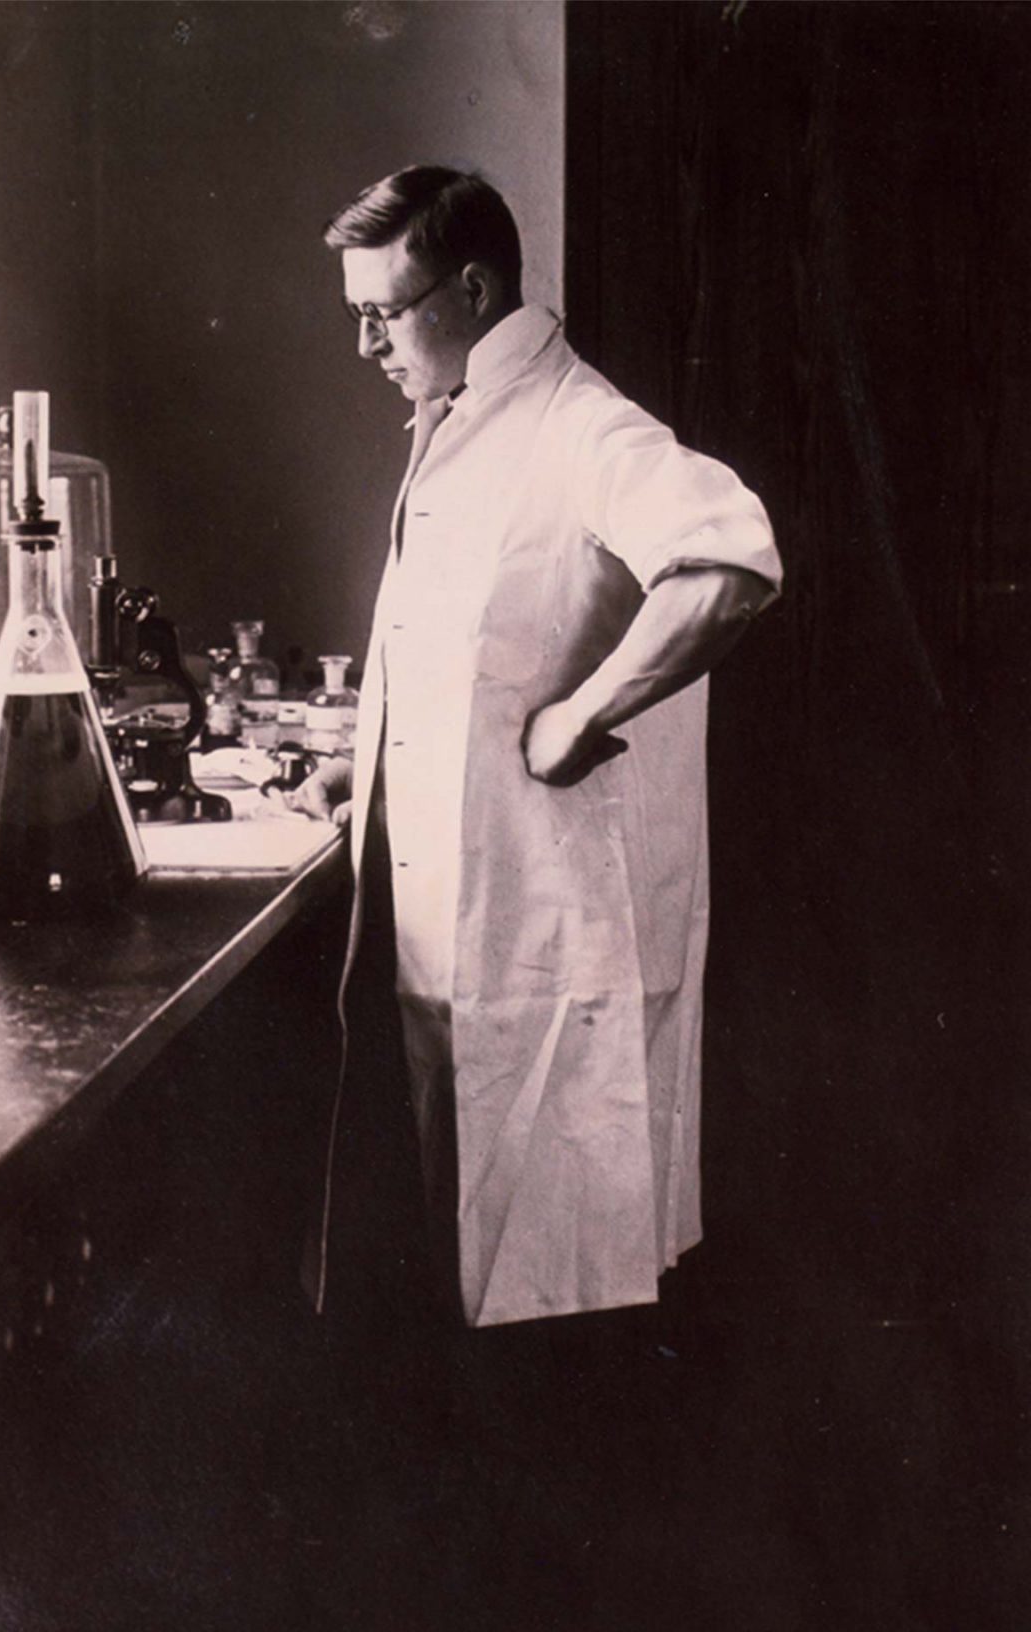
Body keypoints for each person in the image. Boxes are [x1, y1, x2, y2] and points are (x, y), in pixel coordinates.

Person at [296, 167, 780, 1328]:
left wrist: (579, 717)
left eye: (382, 313)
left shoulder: (583, 426)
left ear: (471, 287)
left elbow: (730, 564)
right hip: (446, 937)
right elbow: (481, 646)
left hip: (545, 938)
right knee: (459, 1268)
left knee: (551, 1288)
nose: (364, 345)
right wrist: (370, 769)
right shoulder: (463, 418)